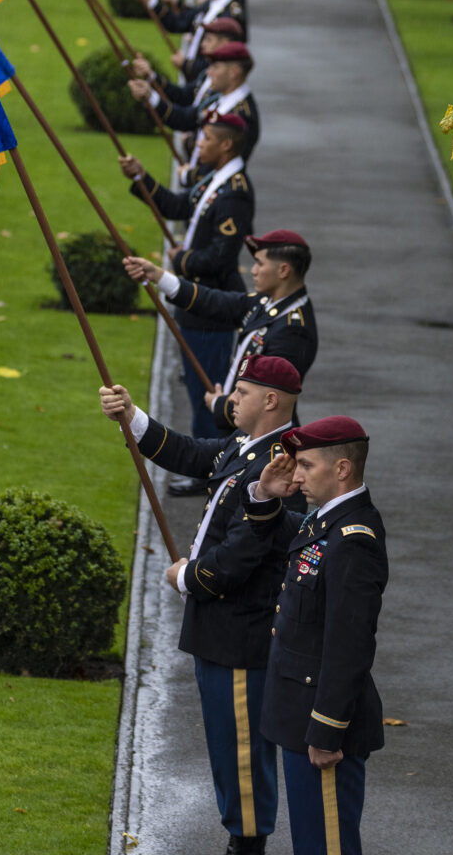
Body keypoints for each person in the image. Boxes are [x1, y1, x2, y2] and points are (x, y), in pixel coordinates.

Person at [99, 354, 306, 855]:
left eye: (242, 393)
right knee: (225, 744)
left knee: (240, 750)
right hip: (221, 625)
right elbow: (192, 454)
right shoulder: (247, 444)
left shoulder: (281, 464)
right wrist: (132, 416)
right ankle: (243, 835)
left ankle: (248, 842)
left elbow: (246, 552)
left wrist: (189, 577)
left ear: (271, 401)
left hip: (241, 629)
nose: (230, 400)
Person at [243, 417, 388, 855]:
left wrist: (327, 729)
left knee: (326, 847)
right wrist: (266, 495)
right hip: (299, 717)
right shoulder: (324, 521)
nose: (297, 475)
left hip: (322, 727)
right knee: (313, 841)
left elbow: (350, 645)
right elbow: (286, 539)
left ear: (342, 468)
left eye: (305, 464)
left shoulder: (352, 539)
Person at [124, 228, 317, 494]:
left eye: (260, 263)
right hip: (248, 428)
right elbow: (216, 302)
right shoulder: (269, 303)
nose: (253, 270)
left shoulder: (294, 330)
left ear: (283, 270)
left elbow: (272, 397)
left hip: (262, 430)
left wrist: (221, 404)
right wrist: (159, 276)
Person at [118, 112, 254, 438]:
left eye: (207, 138)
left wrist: (183, 259)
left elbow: (222, 257)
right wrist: (142, 178)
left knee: (208, 390)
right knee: (197, 389)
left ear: (226, 145)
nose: (199, 143)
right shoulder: (213, 178)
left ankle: (208, 467)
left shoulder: (235, 193)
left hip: (211, 309)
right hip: (193, 305)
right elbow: (179, 206)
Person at [129, 40, 259, 165]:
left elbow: (222, 163)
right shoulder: (220, 98)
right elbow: (184, 117)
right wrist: (150, 96)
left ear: (233, 72)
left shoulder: (242, 115)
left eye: (216, 67)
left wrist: (190, 170)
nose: (209, 72)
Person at [128, 0, 245, 81]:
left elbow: (221, 60)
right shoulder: (212, 2)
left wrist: (186, 65)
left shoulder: (231, 14)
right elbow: (180, 22)